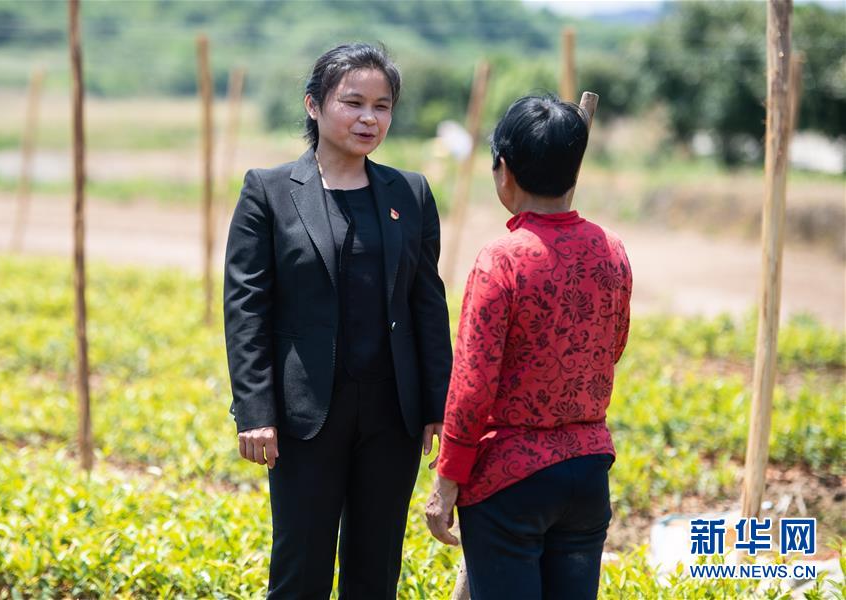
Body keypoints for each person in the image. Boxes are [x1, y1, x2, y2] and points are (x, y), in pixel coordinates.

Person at [223, 43, 452, 599]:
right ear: (313, 106)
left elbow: (427, 303)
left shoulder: (410, 193)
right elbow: (245, 306)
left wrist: (435, 406)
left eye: (382, 105)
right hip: (306, 416)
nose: (369, 118)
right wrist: (255, 411)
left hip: (390, 414)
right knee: (300, 567)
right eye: (352, 102)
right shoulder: (269, 191)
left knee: (375, 571)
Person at [425, 94, 632, 599]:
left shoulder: (503, 260)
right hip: (587, 472)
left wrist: (448, 479)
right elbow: (613, 346)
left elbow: (472, 383)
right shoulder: (611, 250)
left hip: (511, 481)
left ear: (505, 171)